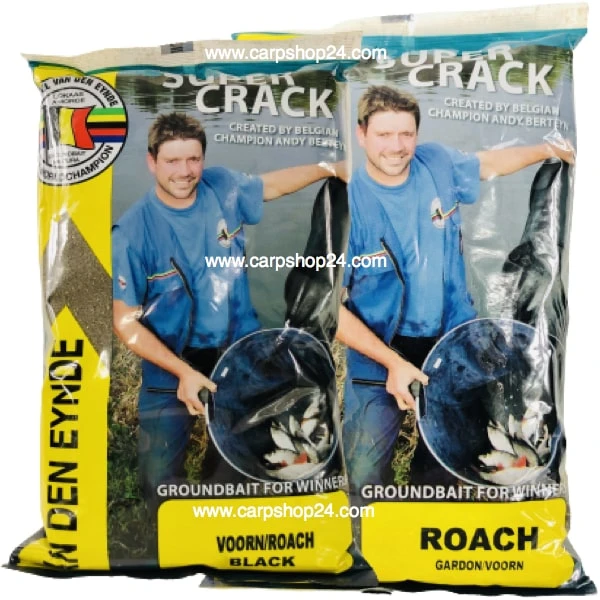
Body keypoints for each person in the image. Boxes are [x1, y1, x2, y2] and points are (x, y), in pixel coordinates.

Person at [336, 85, 574, 491]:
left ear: (417, 133)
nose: (397, 146)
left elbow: (488, 164)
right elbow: (330, 309)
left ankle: (434, 508)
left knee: (453, 463)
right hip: (379, 352)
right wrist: (393, 364)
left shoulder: (437, 163)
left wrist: (551, 150)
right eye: (384, 134)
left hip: (451, 342)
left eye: (406, 134)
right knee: (363, 473)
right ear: (361, 135)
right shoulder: (347, 207)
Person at [112, 111, 346, 502]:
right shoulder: (132, 232)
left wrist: (331, 168)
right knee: (159, 483)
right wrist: (183, 373)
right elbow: (125, 321)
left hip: (238, 354)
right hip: (171, 365)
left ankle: (226, 496)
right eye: (172, 160)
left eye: (193, 159)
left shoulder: (221, 186)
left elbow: (270, 186)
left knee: (247, 465)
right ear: (152, 162)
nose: (185, 171)